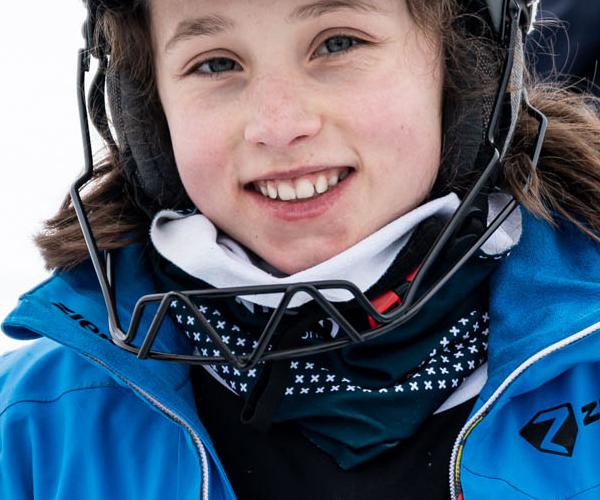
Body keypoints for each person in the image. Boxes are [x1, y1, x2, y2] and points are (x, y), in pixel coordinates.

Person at [1, 1, 600, 499]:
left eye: (338, 43)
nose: (278, 124)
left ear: (465, 64)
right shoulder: (32, 430)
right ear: (147, 111)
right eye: (215, 63)